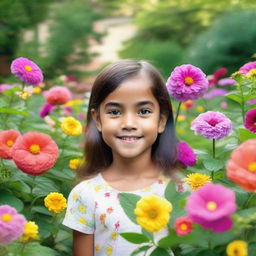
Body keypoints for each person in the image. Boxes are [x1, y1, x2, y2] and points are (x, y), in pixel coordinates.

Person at [62, 59, 180, 256]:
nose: (128, 123)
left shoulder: (179, 189)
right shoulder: (86, 194)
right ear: (98, 119)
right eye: (115, 112)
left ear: (161, 120)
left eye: (144, 111)